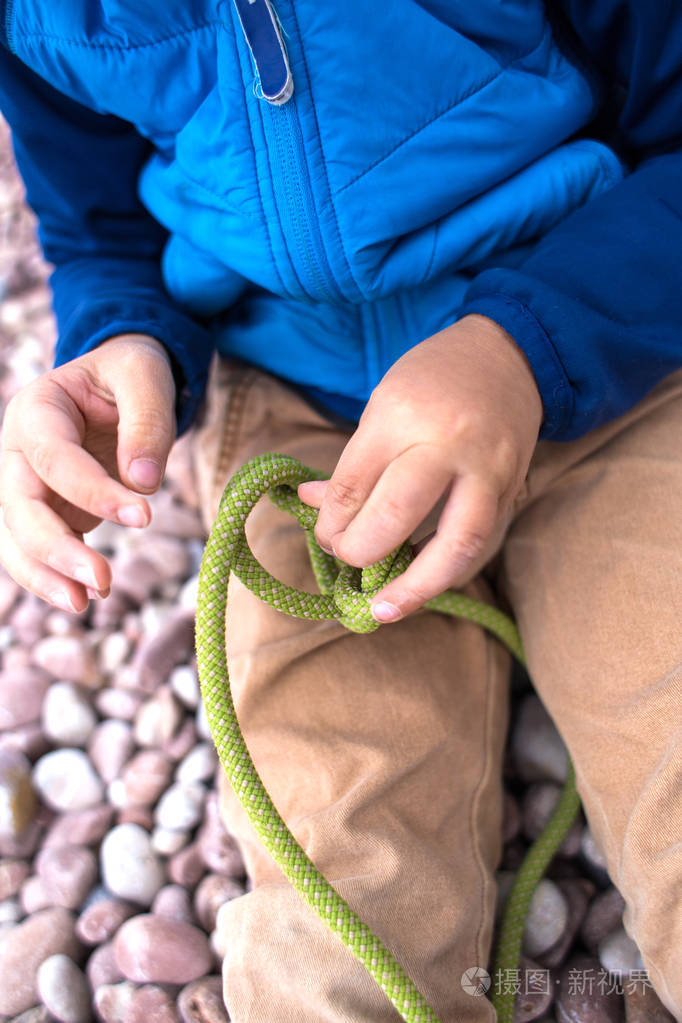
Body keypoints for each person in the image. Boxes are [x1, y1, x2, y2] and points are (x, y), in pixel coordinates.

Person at [0, 2, 680, 1019]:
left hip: (607, 345)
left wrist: (521, 346)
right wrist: (120, 348)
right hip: (300, 412)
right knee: (342, 868)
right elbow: (100, 231)